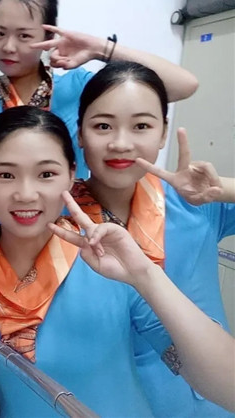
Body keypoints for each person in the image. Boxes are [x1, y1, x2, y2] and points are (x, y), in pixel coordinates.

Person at [0, 106, 233, 416]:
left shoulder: (109, 265)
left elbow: (227, 386)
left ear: (71, 175)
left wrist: (146, 275)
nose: (26, 194)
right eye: (6, 175)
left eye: (46, 174)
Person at [73, 60, 235, 417]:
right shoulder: (62, 225)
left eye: (141, 126)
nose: (120, 143)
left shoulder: (194, 205)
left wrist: (222, 189)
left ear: (163, 133)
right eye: (103, 126)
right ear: (80, 133)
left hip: (216, 396)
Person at [0, 0, 199, 179]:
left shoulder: (80, 87)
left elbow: (183, 85)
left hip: (85, 210)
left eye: (24, 35)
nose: (8, 46)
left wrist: (100, 48)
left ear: (49, 37)